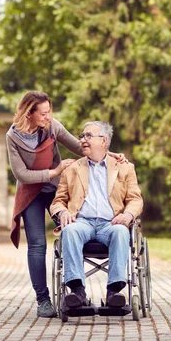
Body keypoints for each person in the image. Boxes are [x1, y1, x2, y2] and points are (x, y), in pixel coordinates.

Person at [6, 91, 127, 318]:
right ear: (29, 113)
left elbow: (81, 146)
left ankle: (78, 293)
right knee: (37, 245)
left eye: (49, 111)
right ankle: (43, 300)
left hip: (55, 188)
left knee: (73, 227)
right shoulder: (13, 137)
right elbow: (21, 174)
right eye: (43, 113)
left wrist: (110, 154)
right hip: (30, 191)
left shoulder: (52, 126)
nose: (48, 116)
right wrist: (55, 171)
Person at [50, 120, 143, 309]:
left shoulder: (125, 168)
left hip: (111, 222)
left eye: (88, 136)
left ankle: (114, 293)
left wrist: (127, 215)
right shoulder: (72, 169)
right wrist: (63, 211)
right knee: (70, 231)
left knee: (121, 231)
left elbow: (136, 199)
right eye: (82, 136)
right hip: (82, 221)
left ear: (104, 141)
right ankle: (77, 292)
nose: (83, 140)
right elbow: (57, 201)